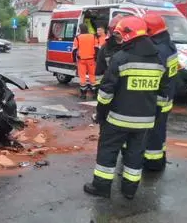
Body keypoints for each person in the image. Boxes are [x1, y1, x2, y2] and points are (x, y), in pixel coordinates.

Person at [84, 16, 169, 200]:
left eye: (120, 36)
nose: (119, 40)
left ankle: (101, 187)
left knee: (108, 151)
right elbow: (163, 95)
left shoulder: (120, 58)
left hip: (117, 119)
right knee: (135, 155)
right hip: (145, 122)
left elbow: (106, 93)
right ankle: (129, 191)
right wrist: (154, 115)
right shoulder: (158, 60)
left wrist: (100, 114)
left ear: (129, 35)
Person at [142, 13, 178, 171]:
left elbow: (155, 74)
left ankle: (153, 162)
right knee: (160, 129)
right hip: (167, 95)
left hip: (157, 97)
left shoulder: (158, 50)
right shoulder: (169, 44)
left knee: (154, 131)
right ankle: (160, 157)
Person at [72, 23, 97, 99]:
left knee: (82, 77)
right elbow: (97, 48)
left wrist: (74, 60)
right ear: (87, 29)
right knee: (92, 76)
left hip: (81, 60)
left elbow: (74, 50)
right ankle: (94, 94)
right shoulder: (93, 36)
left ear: (80, 29)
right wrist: (96, 58)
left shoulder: (77, 37)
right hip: (91, 60)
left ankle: (83, 95)